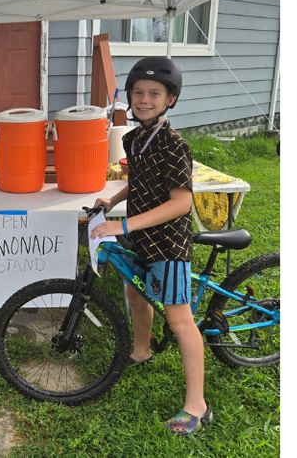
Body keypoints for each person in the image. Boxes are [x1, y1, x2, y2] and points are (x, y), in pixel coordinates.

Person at [89, 56, 210, 436]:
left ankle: (197, 406)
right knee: (136, 296)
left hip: (169, 243)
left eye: (154, 94)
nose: (144, 100)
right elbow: (141, 181)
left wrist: (122, 222)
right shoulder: (135, 137)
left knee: (180, 320)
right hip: (142, 234)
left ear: (170, 99)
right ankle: (142, 350)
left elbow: (180, 203)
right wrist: (112, 200)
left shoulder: (173, 145)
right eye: (138, 93)